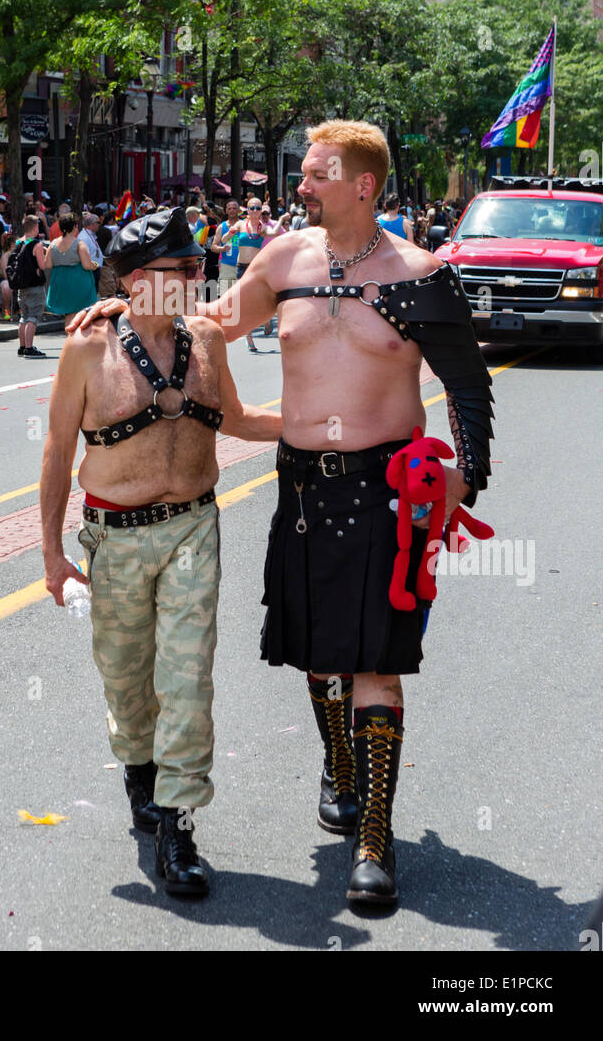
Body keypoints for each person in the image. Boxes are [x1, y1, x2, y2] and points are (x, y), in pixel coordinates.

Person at [70, 120, 494, 910]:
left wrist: (464, 480)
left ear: (363, 185)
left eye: (317, 175)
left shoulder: (422, 273)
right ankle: (337, 758)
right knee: (317, 651)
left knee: (376, 660)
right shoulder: (284, 259)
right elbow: (211, 322)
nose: (300, 187)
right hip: (301, 485)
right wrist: (117, 310)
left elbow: (466, 384)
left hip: (385, 489)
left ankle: (374, 838)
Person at [41, 207, 282, 898]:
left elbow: (236, 419)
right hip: (113, 536)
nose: (200, 276)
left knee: (186, 677)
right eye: (185, 269)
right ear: (144, 279)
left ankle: (177, 825)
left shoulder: (206, 336)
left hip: (191, 529)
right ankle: (140, 774)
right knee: (125, 677)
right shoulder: (87, 348)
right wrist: (53, 554)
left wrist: (326, 423)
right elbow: (58, 452)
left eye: (198, 265)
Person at [219, 197, 280, 352]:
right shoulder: (240, 224)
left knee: (260, 298)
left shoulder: (263, 227)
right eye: (252, 208)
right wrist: (228, 236)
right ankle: (249, 337)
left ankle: (266, 319)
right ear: (247, 210)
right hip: (241, 266)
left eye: (257, 208)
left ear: (261, 211)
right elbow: (224, 238)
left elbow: (274, 233)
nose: (254, 210)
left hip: (256, 267)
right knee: (244, 301)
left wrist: (282, 219)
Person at [45, 213, 96, 325]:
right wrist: (95, 265)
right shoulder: (79, 243)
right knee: (80, 312)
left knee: (69, 314)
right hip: (77, 281)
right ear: (74, 227)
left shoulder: (53, 244)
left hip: (60, 281)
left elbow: (47, 265)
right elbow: (86, 265)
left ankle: (70, 337)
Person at [13, 215, 51, 359]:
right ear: (35, 228)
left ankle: (22, 347)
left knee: (24, 316)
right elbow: (42, 265)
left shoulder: (18, 242)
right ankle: (29, 348)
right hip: (35, 285)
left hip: (21, 286)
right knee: (33, 317)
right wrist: (47, 254)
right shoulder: (37, 244)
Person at [79, 213, 104, 293]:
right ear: (92, 224)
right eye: (98, 222)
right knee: (91, 293)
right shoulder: (84, 237)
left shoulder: (90, 234)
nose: (99, 225)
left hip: (93, 268)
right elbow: (84, 256)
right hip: (89, 270)